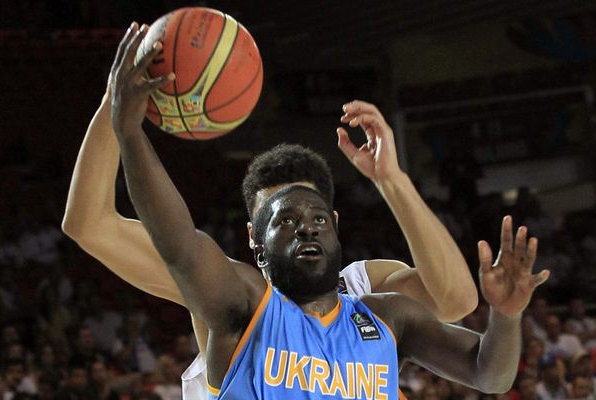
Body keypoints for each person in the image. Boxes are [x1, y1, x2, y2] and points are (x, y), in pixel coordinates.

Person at [107, 24, 549, 398]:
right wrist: (129, 134)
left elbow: (490, 373)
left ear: (336, 228)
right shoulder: (242, 305)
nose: (306, 229)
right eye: (286, 221)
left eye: (318, 218)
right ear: (257, 249)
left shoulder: (388, 316)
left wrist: (507, 317)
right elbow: (178, 242)